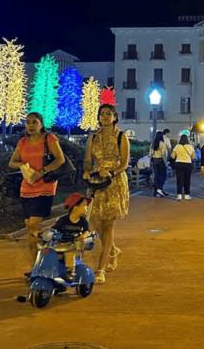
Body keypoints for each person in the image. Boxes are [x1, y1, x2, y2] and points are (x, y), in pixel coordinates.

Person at [8, 112, 66, 278]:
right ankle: (36, 267)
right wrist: (23, 165)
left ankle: (48, 259)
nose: (31, 125)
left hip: (45, 186)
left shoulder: (49, 139)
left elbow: (60, 160)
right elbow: (11, 162)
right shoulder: (23, 141)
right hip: (26, 188)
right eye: (28, 122)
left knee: (34, 225)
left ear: (41, 124)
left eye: (34, 122)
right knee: (30, 230)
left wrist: (41, 172)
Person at [84, 104, 130, 284]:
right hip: (96, 182)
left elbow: (124, 163)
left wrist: (111, 172)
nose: (104, 116)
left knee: (109, 224)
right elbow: (88, 160)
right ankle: (112, 250)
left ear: (115, 117)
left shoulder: (121, 136)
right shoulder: (93, 137)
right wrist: (87, 171)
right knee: (96, 222)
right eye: (102, 114)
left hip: (114, 181)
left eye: (108, 114)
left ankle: (100, 269)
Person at [171, 134, 195, 200]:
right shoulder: (190, 147)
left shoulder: (177, 146)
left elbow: (172, 156)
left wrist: (178, 155)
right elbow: (193, 157)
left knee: (179, 180)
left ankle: (179, 195)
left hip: (179, 163)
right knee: (187, 179)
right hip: (188, 164)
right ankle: (187, 194)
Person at [150, 131, 168, 197]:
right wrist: (166, 163)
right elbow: (164, 154)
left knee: (156, 176)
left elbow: (150, 153)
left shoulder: (153, 143)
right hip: (161, 160)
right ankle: (160, 189)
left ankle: (156, 191)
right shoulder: (162, 144)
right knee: (163, 176)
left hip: (154, 160)